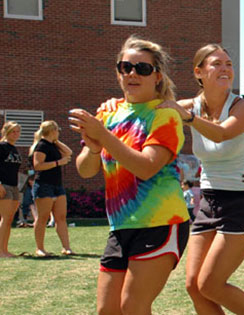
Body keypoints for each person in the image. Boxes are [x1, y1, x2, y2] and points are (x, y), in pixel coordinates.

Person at [99, 43, 244, 313]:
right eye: (216, 64)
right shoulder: (187, 106)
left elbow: (221, 133)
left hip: (242, 201)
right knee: (193, 285)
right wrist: (114, 105)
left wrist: (187, 116)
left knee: (211, 284)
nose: (225, 69)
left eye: (229, 64)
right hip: (209, 201)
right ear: (198, 72)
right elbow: (148, 105)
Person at [71, 35, 191, 314]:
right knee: (107, 310)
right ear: (119, 73)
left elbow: (147, 167)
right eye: (126, 67)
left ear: (157, 76)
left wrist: (103, 136)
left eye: (142, 68)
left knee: (133, 307)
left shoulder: (164, 115)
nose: (133, 74)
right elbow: (86, 170)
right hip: (120, 226)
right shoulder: (108, 113)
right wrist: (92, 148)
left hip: (161, 222)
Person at [30, 120, 73, 257]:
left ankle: (66, 248)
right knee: (42, 218)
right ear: (52, 130)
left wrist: (56, 141)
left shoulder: (53, 145)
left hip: (57, 185)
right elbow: (38, 165)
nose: (59, 132)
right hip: (44, 185)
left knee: (61, 217)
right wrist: (58, 163)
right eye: (57, 130)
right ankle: (40, 248)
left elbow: (69, 152)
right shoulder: (41, 146)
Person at [0, 121, 23, 258]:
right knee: (4, 218)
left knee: (9, 219)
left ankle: (5, 249)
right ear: (6, 132)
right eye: (13, 131)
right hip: (4, 185)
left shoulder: (14, 148)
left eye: (18, 131)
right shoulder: (2, 146)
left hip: (14, 186)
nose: (16, 134)